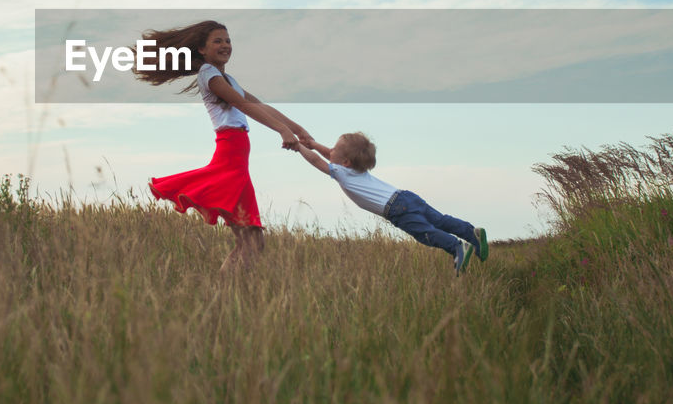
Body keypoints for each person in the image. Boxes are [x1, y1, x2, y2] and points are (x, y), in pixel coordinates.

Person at [134, 21, 312, 270]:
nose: (225, 45)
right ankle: (227, 292)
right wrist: (281, 130)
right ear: (202, 49)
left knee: (252, 240)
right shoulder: (209, 75)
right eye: (217, 41)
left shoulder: (226, 78)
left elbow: (258, 104)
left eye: (227, 40)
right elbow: (241, 105)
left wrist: (296, 128)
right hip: (230, 157)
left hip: (237, 160)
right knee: (251, 240)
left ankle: (225, 292)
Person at [291, 131, 488, 275]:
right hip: (406, 197)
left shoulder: (341, 172)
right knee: (440, 221)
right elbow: (333, 157)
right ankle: (472, 234)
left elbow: (318, 161)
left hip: (396, 210)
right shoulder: (353, 168)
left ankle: (455, 246)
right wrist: (314, 144)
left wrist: (298, 146)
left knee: (425, 233)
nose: (330, 150)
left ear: (345, 163)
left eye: (333, 148)